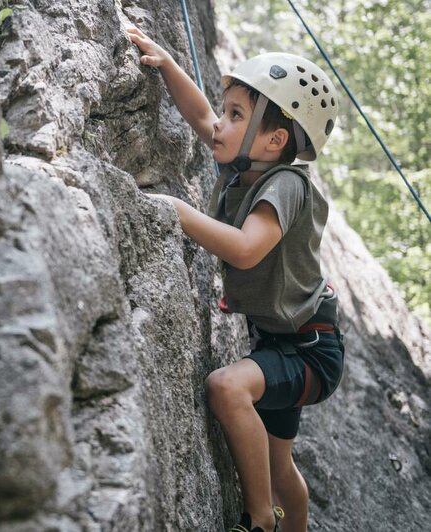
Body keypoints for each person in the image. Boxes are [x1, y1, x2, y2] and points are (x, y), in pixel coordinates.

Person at [127, 27, 346, 532]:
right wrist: (165, 65)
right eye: (227, 110)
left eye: (236, 115)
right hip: (283, 338)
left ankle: (260, 519)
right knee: (278, 461)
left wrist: (178, 211)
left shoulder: (286, 184)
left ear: (274, 140)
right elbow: (201, 117)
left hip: (310, 349)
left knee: (227, 389)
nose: (220, 125)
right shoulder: (243, 164)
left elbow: (247, 250)